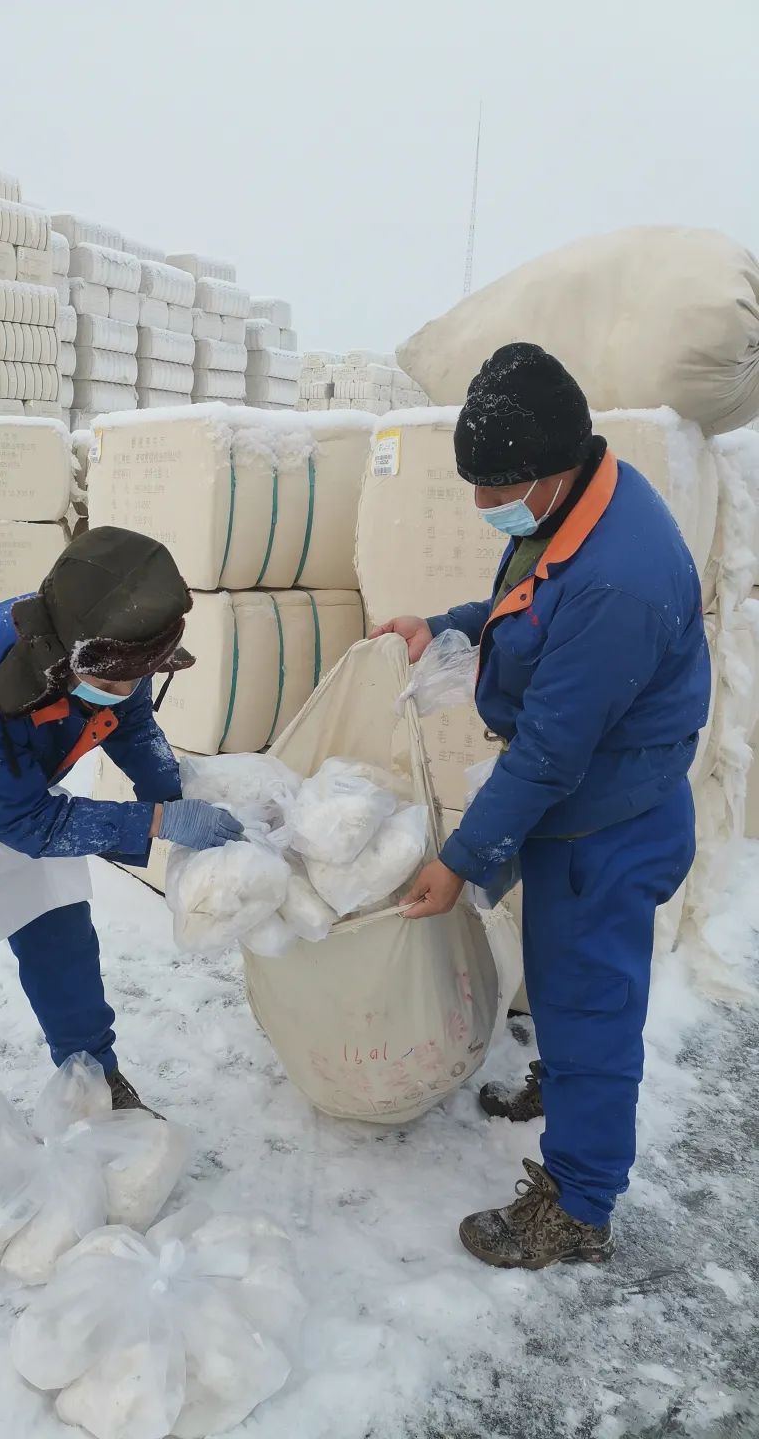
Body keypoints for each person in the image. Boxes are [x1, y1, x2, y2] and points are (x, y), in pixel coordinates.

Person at [373, 342, 710, 1270]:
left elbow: (553, 753)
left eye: (502, 488)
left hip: (608, 819)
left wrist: (460, 862)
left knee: (592, 1000)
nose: (488, 508)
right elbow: (526, 607)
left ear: (558, 466)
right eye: (477, 487)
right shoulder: (573, 510)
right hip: (577, 801)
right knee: (561, 980)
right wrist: (442, 629)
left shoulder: (620, 579)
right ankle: (562, 1082)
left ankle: (580, 1204)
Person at [0, 525, 243, 1263]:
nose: (134, 687)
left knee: (61, 933)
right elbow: (28, 823)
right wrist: (158, 822)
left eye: (148, 672)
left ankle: (92, 1074)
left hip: (21, 789)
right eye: (125, 674)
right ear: (73, 656)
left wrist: (175, 791)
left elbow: (131, 723)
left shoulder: (110, 647)